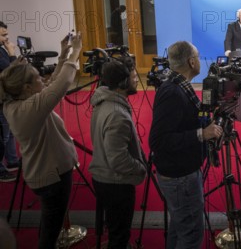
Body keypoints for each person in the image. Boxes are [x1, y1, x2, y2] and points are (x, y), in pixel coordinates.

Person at [0, 32, 82, 249]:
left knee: (49, 223)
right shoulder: (28, 109)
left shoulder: (19, 102)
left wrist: (64, 54)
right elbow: (60, 84)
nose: (43, 78)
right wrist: (76, 54)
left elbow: (51, 84)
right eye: (38, 77)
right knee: (49, 232)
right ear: (27, 87)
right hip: (51, 178)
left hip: (46, 174)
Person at [149, 41, 223, 248]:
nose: (199, 60)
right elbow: (158, 141)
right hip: (179, 177)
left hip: (179, 173)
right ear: (191, 62)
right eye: (198, 56)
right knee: (190, 234)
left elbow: (184, 120)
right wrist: (202, 133)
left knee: (179, 228)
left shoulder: (179, 84)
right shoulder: (172, 92)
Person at [89, 56, 146, 248]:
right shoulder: (116, 114)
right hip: (115, 183)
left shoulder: (105, 102)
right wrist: (140, 168)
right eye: (133, 76)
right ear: (122, 83)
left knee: (116, 229)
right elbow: (118, 159)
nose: (137, 79)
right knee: (119, 234)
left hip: (105, 178)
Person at [0, 21, 19, 182]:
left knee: (10, 131)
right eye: (3, 35)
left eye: (6, 34)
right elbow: (10, 73)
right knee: (3, 136)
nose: (7, 38)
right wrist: (12, 53)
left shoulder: (1, 49)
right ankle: (0, 169)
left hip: (5, 97)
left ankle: (12, 160)